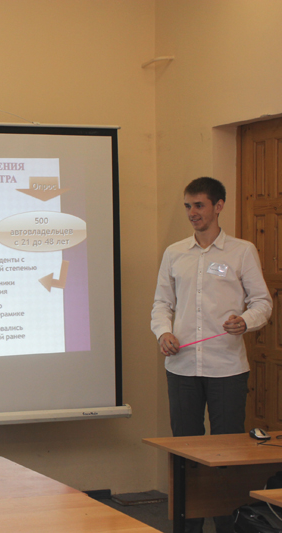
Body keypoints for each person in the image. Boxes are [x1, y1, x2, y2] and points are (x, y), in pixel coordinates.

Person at [151, 177, 272, 533]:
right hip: (182, 366)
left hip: (227, 368)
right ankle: (188, 526)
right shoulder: (175, 252)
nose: (192, 213)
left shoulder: (242, 251)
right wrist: (164, 332)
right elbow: (162, 303)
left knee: (227, 452)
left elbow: (262, 302)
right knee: (185, 451)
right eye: (188, 206)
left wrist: (246, 321)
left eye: (199, 205)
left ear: (218, 206)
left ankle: (226, 525)